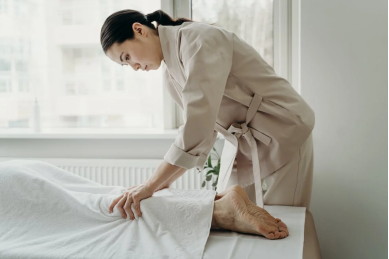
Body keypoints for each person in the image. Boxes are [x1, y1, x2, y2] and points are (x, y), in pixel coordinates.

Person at [100, 9, 315, 234]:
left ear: (139, 30)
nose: (134, 67)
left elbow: (197, 125)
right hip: (243, 142)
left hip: (284, 129)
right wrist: (158, 186)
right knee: (231, 217)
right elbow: (204, 129)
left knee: (284, 223)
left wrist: (149, 186)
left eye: (127, 57)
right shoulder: (170, 75)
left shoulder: (199, 40)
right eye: (125, 65)